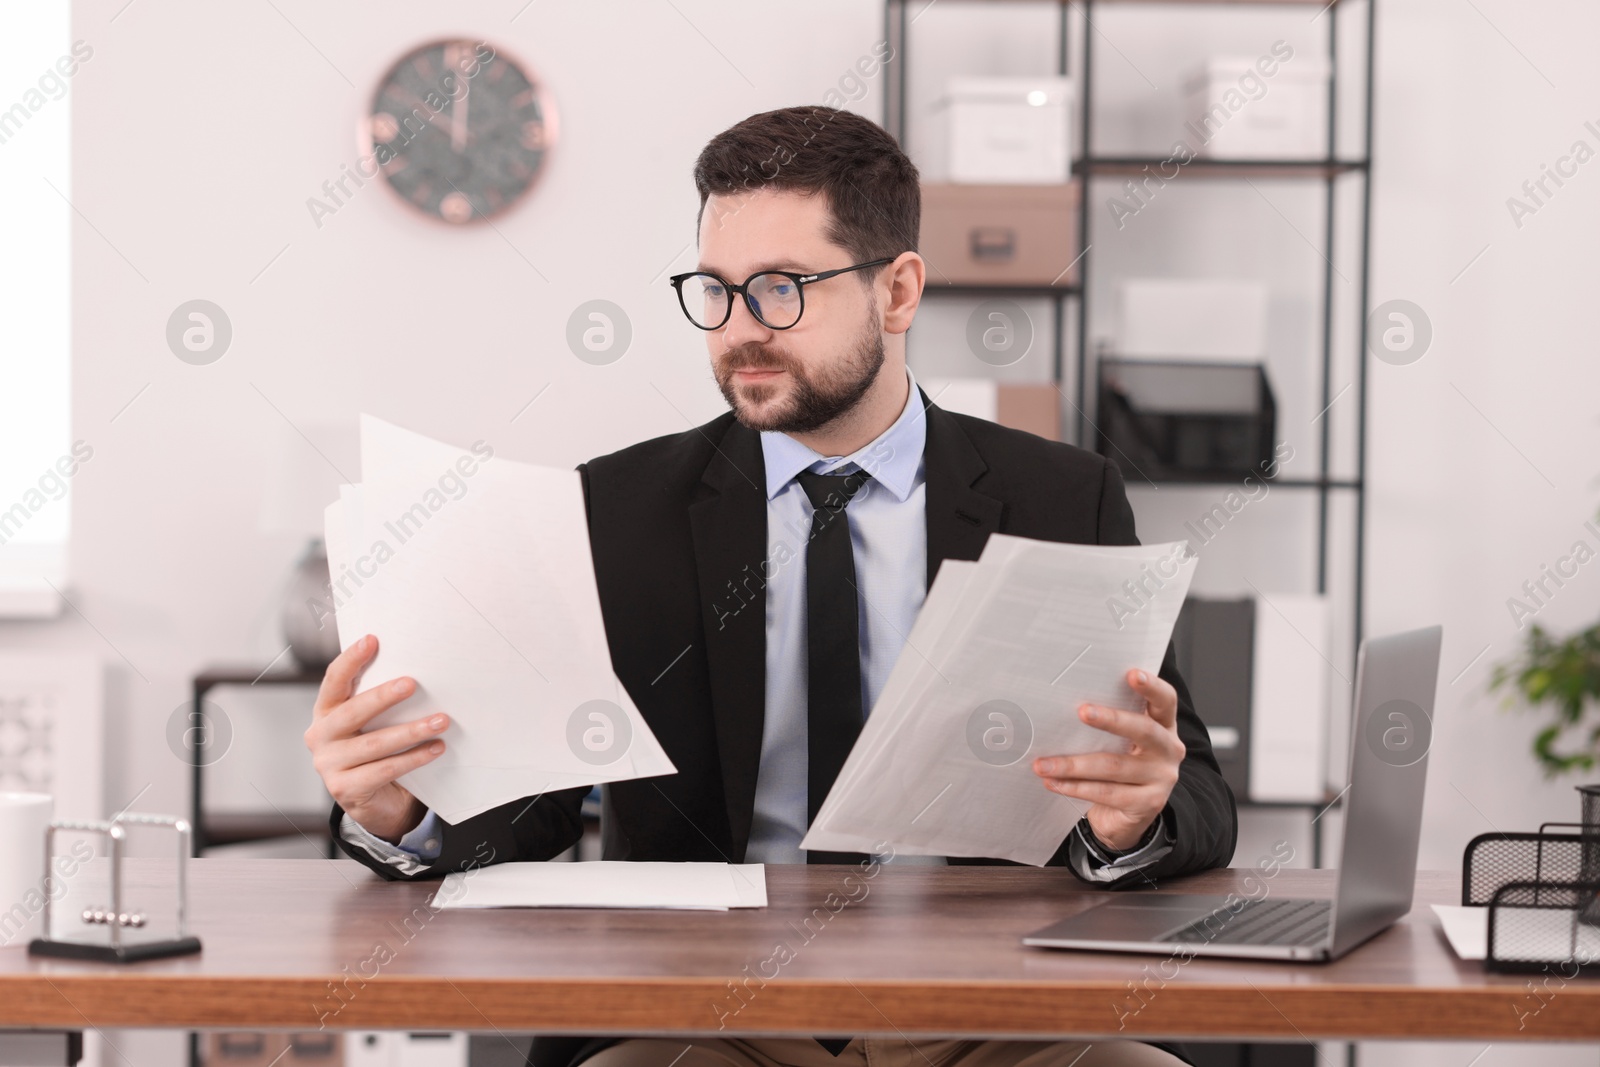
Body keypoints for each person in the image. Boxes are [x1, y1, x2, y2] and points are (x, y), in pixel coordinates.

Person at [306, 106, 1235, 1067]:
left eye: (782, 288)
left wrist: (1136, 817)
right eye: (716, 290)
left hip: (987, 1001)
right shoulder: (615, 507)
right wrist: (399, 812)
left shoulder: (1060, 496)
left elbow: (1196, 788)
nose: (740, 330)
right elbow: (524, 817)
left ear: (899, 290)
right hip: (704, 1005)